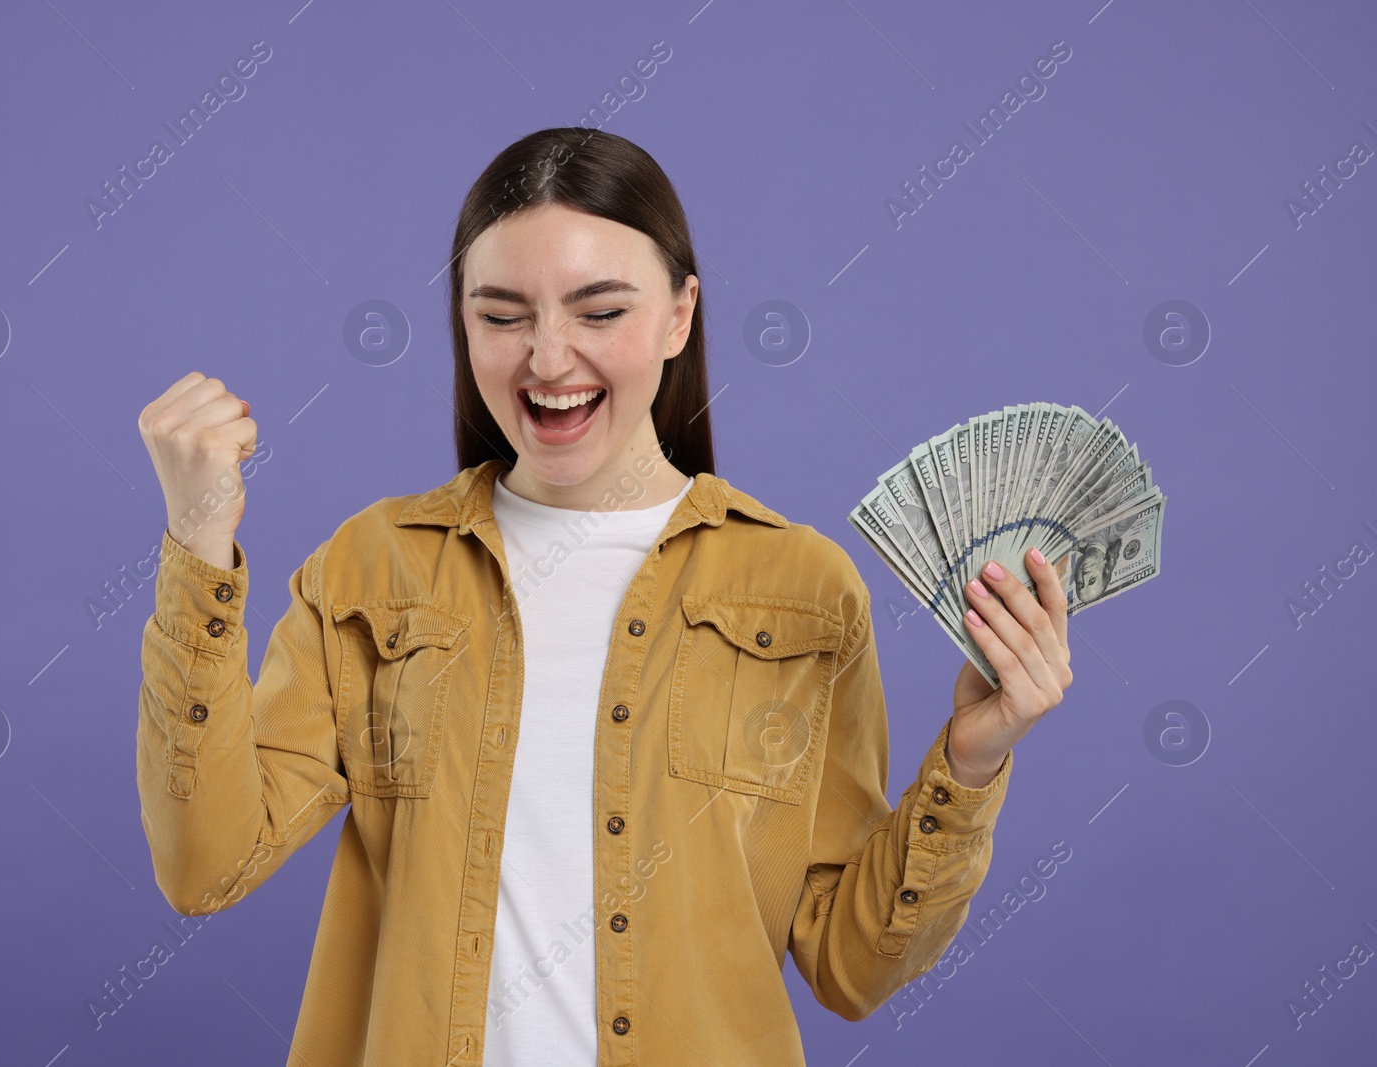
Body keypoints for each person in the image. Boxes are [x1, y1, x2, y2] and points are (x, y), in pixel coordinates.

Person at [134, 127, 1073, 1067]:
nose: (548, 359)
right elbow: (206, 863)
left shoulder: (803, 590)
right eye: (501, 315)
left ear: (679, 316)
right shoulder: (371, 571)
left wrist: (973, 760)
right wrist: (197, 538)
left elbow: (851, 965)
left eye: (600, 311)